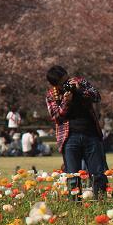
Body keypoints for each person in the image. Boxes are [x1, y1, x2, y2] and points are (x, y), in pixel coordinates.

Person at [45, 65, 108, 198]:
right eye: (63, 83)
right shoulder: (52, 94)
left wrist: (80, 90)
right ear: (55, 85)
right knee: (72, 176)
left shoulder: (81, 82)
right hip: (69, 138)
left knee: (98, 174)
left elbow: (96, 96)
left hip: (91, 134)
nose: (67, 83)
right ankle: (75, 206)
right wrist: (66, 102)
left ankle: (102, 202)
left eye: (67, 79)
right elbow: (56, 116)